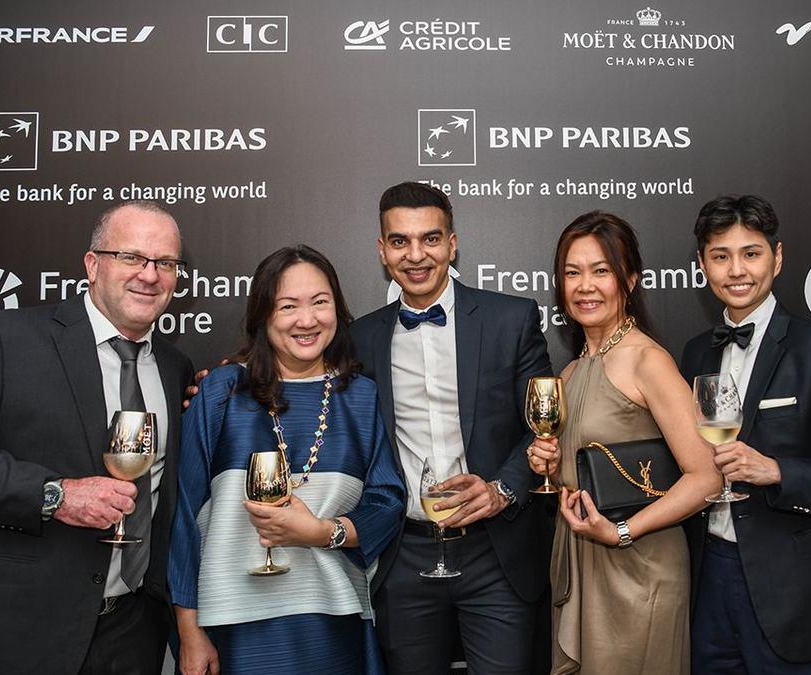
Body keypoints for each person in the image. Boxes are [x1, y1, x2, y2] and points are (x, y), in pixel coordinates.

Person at [0, 201, 193, 674]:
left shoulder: (174, 367)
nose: (149, 275)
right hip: (13, 633)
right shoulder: (1, 339)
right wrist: (54, 495)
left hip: (132, 635)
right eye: (131, 257)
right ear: (92, 265)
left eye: (165, 263)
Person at [169, 245, 405, 675]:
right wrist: (188, 630)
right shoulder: (222, 391)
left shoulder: (361, 396)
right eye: (288, 306)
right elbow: (182, 514)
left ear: (338, 309)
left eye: (320, 302)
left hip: (332, 623)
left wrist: (322, 532)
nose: (307, 320)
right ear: (263, 315)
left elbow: (387, 502)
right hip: (233, 627)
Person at [349, 182, 553, 674]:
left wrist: (502, 490)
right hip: (404, 555)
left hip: (496, 552)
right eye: (400, 241)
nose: (416, 255)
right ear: (382, 250)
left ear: (452, 244)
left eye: (431, 238)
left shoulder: (511, 319)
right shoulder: (360, 338)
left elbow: (544, 425)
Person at [679, 195, 811, 674]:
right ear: (702, 266)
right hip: (709, 580)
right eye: (720, 256)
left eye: (751, 253)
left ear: (777, 257)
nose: (736, 270)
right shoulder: (694, 354)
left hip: (797, 594)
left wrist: (776, 471)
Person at [527, 210, 720, 674]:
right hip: (581, 561)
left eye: (601, 271)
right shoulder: (570, 372)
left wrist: (621, 532)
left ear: (629, 280)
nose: (585, 286)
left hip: (640, 568)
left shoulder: (647, 361)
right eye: (572, 273)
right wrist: (547, 463)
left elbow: (707, 478)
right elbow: (589, 465)